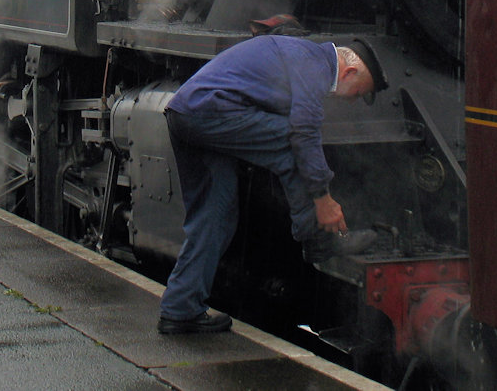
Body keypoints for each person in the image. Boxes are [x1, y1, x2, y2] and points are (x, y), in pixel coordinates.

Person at [156, 34, 385, 335]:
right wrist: (323, 199)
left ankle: (179, 310)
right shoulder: (313, 64)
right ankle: (319, 241)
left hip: (187, 113)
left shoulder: (300, 55)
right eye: (358, 92)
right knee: (294, 144)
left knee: (215, 216)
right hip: (207, 112)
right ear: (349, 72)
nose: (353, 98)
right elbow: (302, 134)